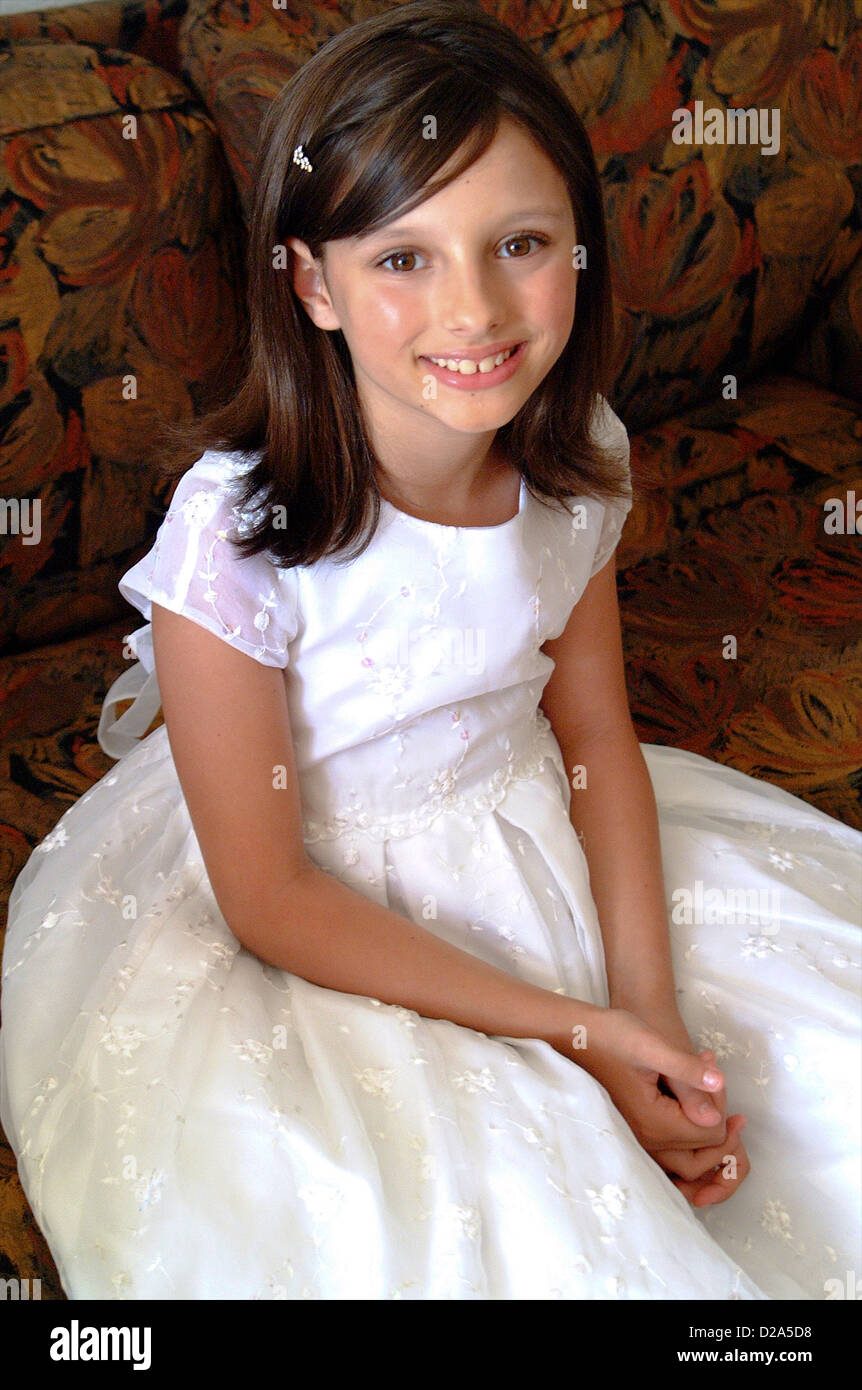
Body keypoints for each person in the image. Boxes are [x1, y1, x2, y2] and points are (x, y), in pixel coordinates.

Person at [1, 0, 858, 1301]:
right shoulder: (234, 537)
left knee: (814, 1084)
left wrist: (650, 1013)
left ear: (579, 251)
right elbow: (271, 898)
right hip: (306, 902)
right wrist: (579, 1032)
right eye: (402, 258)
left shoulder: (583, 463)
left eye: (519, 242)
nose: (473, 308)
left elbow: (593, 739)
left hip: (532, 831)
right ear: (312, 284)